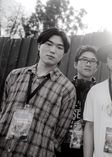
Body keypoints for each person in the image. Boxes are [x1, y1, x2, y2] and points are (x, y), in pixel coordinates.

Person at [0, 28, 76, 157]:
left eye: (59, 47)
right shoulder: (15, 75)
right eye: (48, 44)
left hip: (37, 151)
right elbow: (3, 110)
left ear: (63, 54)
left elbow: (59, 134)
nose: (52, 50)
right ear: (39, 46)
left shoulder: (67, 89)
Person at [58, 45, 98, 157]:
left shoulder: (101, 93)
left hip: (91, 149)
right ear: (75, 64)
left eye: (92, 61)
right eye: (84, 60)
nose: (88, 64)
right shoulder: (64, 88)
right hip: (63, 148)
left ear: (97, 67)